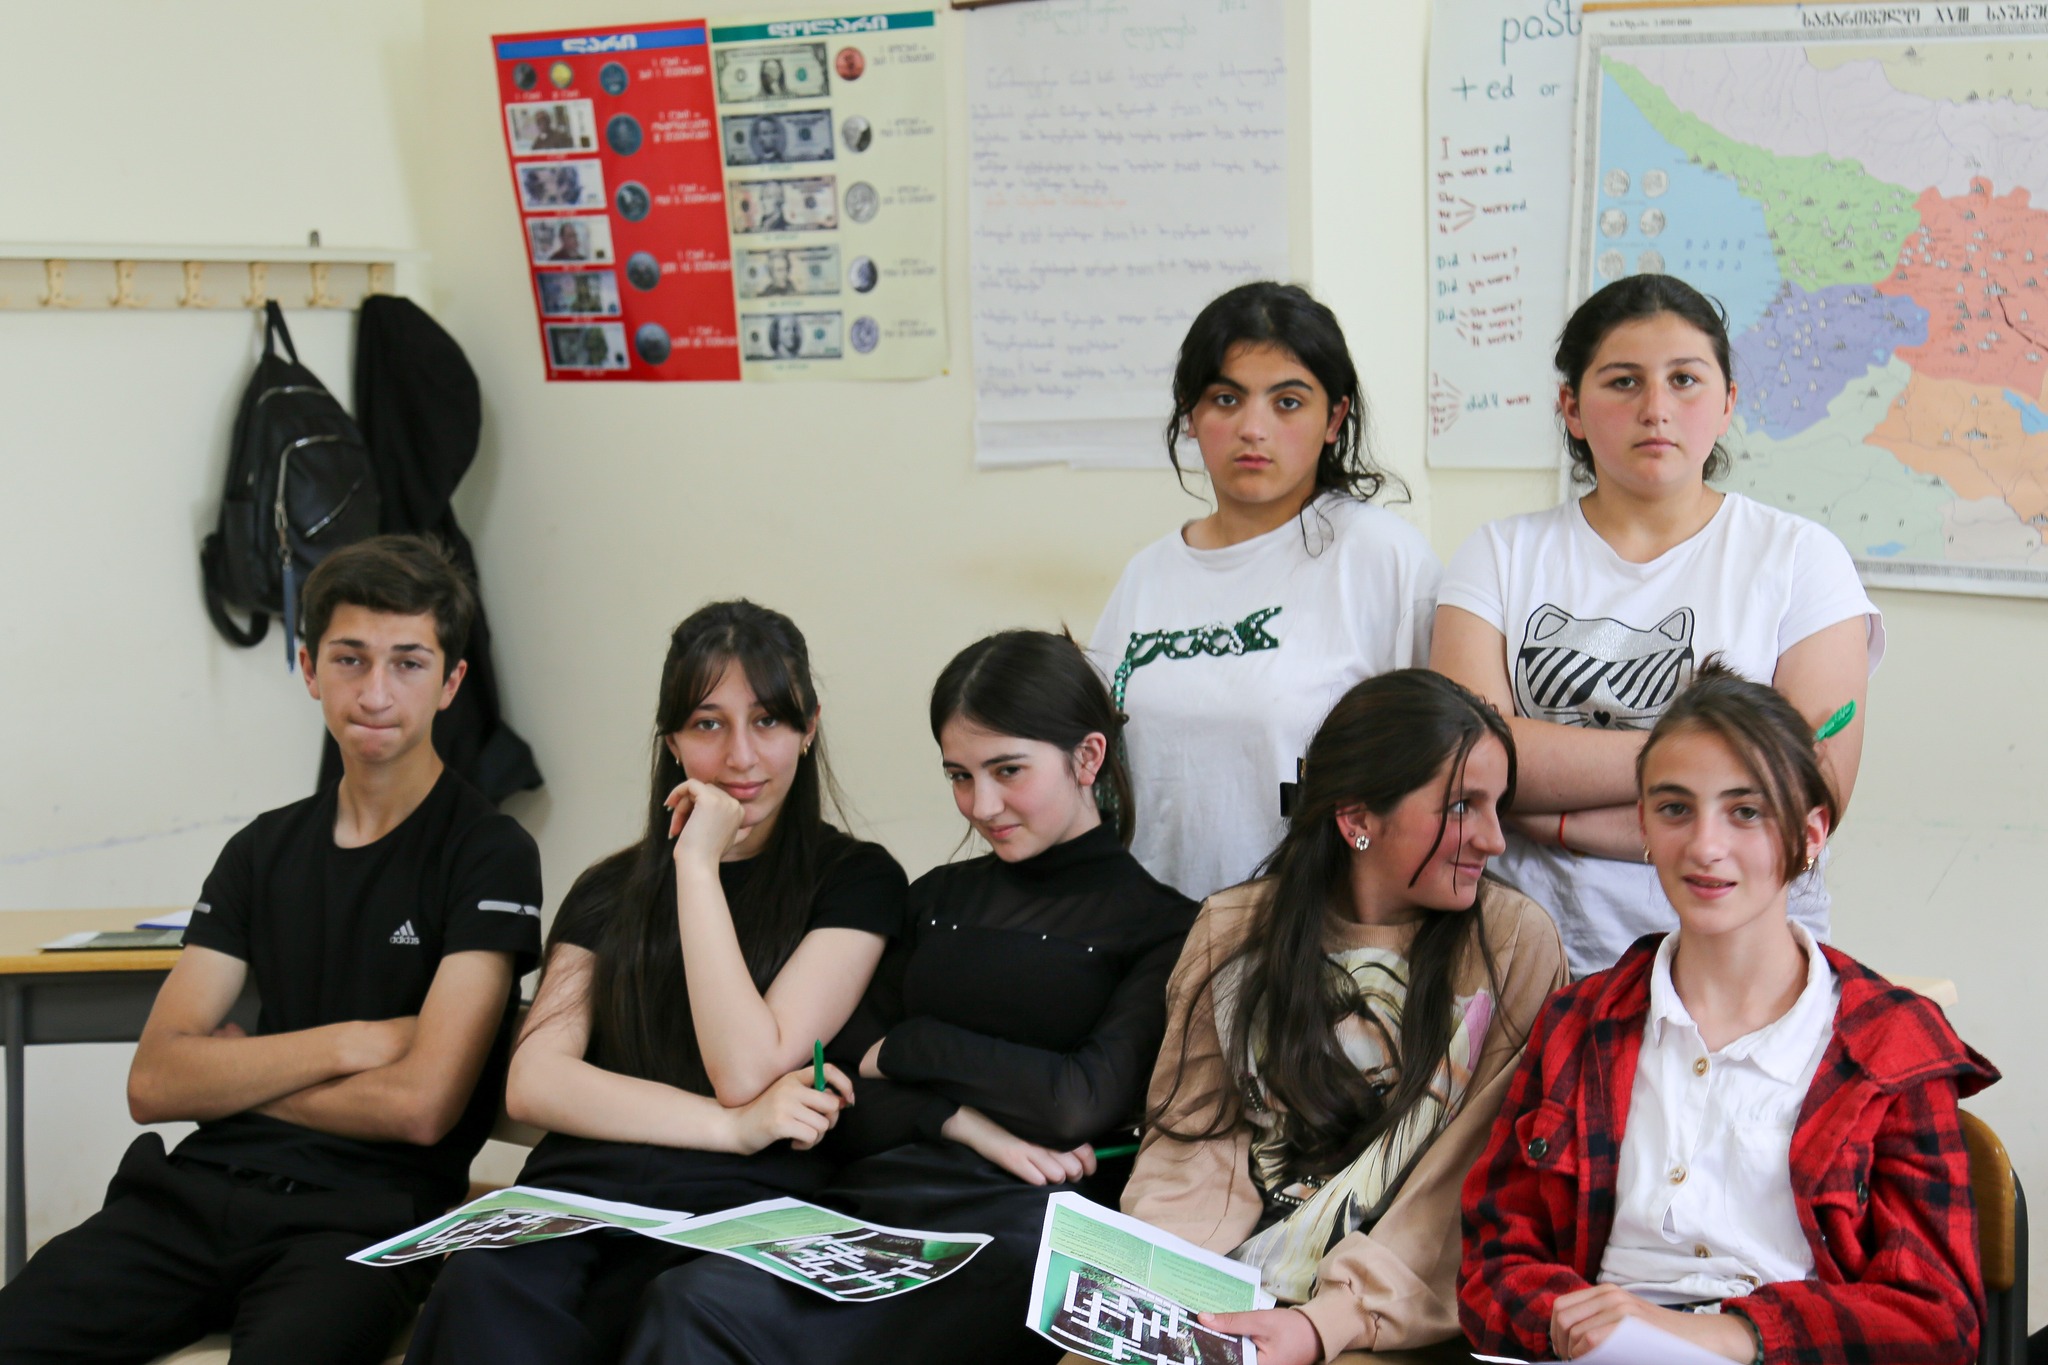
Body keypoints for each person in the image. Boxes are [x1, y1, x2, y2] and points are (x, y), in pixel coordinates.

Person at [0, 536, 542, 1365]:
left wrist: (241, 1082)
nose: (375, 691)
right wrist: (354, 1043)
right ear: (309, 668)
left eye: (407, 663)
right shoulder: (261, 849)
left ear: (451, 682)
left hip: (361, 1221)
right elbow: (155, 1082)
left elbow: (421, 1105)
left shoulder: (488, 851)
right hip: (192, 1192)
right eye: (350, 659)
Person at [625, 630, 1198, 1365]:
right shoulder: (934, 899)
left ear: (1087, 757)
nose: (981, 804)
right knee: (689, 1298)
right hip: (874, 1198)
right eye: (959, 775)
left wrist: (908, 1046)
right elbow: (836, 1080)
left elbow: (1074, 1103)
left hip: (1026, 1228)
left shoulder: (1166, 926)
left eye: (1007, 770)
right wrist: (963, 1121)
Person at [405, 601, 906, 1365]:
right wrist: (729, 1126)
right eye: (708, 724)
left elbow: (746, 1066)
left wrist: (697, 865)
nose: (741, 755)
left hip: (743, 1207)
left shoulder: (857, 880)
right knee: (482, 1285)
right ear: (671, 740)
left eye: (768, 720)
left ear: (808, 728)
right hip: (581, 1191)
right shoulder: (608, 888)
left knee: (682, 1312)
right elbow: (535, 1081)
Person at [1460, 663, 1996, 1364]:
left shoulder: (1892, 1040)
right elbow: (1493, 1263)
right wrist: (1577, 1322)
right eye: (1675, 808)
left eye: (1746, 812)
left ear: (1811, 834)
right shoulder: (1579, 1022)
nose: (1705, 846)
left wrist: (1734, 1333)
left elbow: (1937, 1319)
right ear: (1644, 823)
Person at [1432, 273, 1882, 977]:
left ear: (1727, 403)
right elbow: (1468, 765)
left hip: (1739, 969)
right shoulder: (1497, 555)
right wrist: (1716, 769)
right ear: (1572, 408)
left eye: (1684, 380)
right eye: (1623, 382)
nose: (1656, 409)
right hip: (1525, 960)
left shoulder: (1802, 558)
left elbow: (1805, 794)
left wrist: (1551, 815)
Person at [1120, 669, 1565, 1363]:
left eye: (1496, 806)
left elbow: (1470, 1178)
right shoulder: (1233, 927)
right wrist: (1171, 1288)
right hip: (1220, 1281)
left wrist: (1332, 1319)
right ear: (1357, 819)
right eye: (1461, 807)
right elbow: (1188, 1140)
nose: (1495, 839)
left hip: (1387, 1311)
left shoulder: (1512, 941)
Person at [1091, 281, 1441, 902]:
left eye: (1287, 402)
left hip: (1309, 929)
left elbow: (1440, 773)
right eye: (1226, 399)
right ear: (1191, 415)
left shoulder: (1382, 559)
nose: (1253, 428)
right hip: (1152, 928)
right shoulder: (1147, 574)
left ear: (1334, 418)